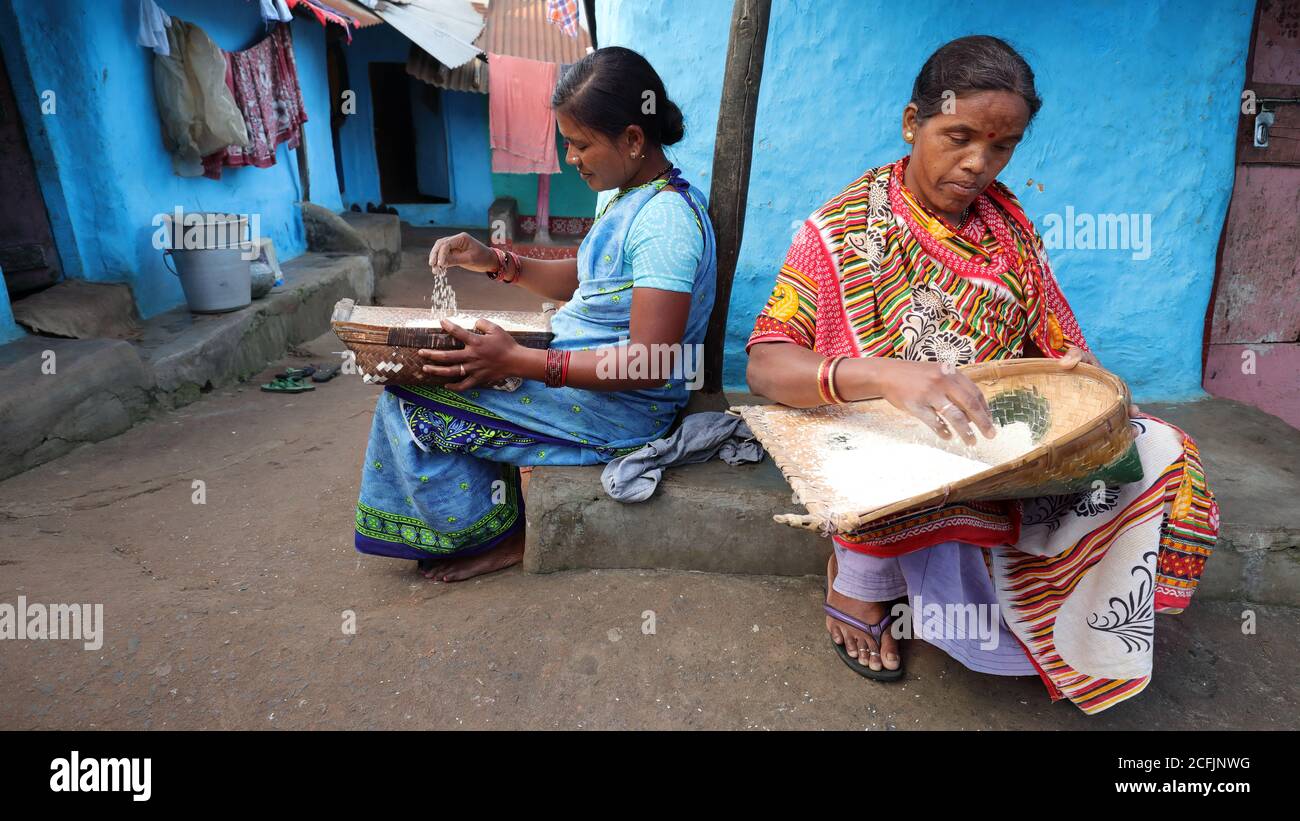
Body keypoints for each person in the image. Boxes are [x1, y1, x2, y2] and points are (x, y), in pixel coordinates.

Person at [744, 35, 1217, 714]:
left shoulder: (1010, 230)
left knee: (1165, 451)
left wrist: (1076, 376)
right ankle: (861, 577)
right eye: (958, 136)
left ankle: (1062, 610)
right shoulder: (840, 230)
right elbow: (766, 364)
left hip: (992, 434)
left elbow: (1059, 347)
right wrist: (889, 375)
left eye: (1002, 146)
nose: (978, 163)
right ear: (914, 123)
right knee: (923, 451)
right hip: (886, 440)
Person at [353, 47, 716, 582]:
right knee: (433, 374)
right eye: (567, 142)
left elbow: (650, 363)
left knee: (415, 403)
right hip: (579, 377)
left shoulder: (666, 223)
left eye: (580, 144)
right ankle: (492, 520)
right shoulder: (632, 196)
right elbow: (587, 277)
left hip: (624, 411)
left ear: (633, 139)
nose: (571, 157)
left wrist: (519, 363)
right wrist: (495, 260)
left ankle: (504, 536)